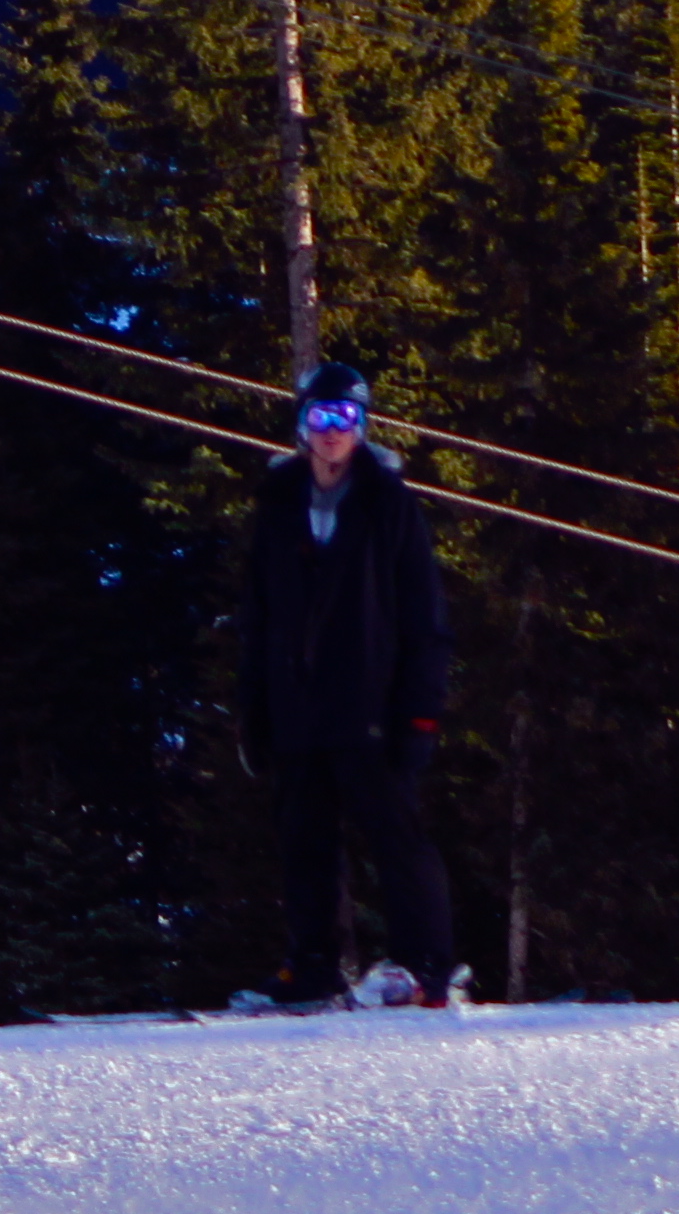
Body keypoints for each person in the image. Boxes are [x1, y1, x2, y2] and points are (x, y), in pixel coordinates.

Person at [238, 354, 460, 1009]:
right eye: (321, 414)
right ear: (301, 423)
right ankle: (311, 965)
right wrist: (253, 711)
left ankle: (424, 966)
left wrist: (421, 713)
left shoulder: (389, 503)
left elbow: (425, 618)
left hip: (373, 707)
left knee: (395, 837)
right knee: (304, 841)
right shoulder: (277, 504)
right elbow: (258, 615)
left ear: (363, 424)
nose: (334, 429)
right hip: (297, 709)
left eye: (347, 416)